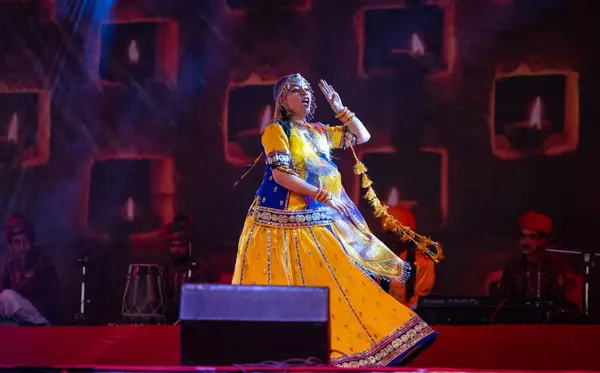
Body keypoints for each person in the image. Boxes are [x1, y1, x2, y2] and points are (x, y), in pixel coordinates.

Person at [232, 74, 437, 367]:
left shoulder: (319, 131)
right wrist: (324, 195)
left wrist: (340, 109)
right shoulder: (276, 131)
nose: (304, 95)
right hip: (276, 225)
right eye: (295, 91)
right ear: (282, 100)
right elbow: (280, 175)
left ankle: (369, 346)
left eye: (307, 91)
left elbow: (362, 136)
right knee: (281, 292)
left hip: (316, 220)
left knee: (342, 280)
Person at [0, 213, 61, 325]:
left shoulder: (42, 261)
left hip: (42, 317)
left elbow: (50, 301)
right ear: (10, 247)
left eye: (26, 241)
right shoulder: (11, 265)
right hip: (21, 318)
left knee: (7, 297)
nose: (23, 246)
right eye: (17, 242)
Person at [498, 211, 569, 304]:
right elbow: (503, 300)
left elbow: (557, 301)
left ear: (542, 240)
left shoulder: (554, 266)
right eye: (523, 237)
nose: (525, 242)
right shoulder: (513, 266)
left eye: (532, 237)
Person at [379, 206, 435, 310]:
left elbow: (420, 297)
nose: (393, 238)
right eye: (389, 233)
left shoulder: (424, 263)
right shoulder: (378, 260)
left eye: (397, 233)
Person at [163, 213, 208, 323]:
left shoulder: (198, 268)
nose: (176, 250)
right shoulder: (165, 269)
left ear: (188, 246)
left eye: (180, 245)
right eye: (173, 246)